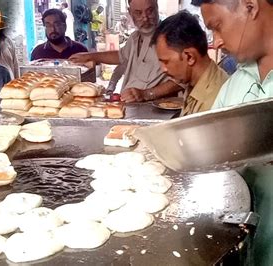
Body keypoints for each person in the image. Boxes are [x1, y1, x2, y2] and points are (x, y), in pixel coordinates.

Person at [193, 1, 273, 265]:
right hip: (247, 247)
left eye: (217, 27)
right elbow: (214, 154)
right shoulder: (237, 82)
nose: (215, 42)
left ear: (250, 6)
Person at [70, 0, 183, 103]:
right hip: (130, 107)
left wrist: (147, 94)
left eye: (150, 11)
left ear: (157, 6)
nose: (145, 18)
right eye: (138, 13)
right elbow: (121, 56)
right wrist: (90, 56)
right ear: (130, 12)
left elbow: (181, 81)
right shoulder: (134, 38)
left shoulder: (170, 37)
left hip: (158, 111)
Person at [151, 11, 228, 116]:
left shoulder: (212, 102)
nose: (163, 69)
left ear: (189, 57)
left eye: (166, 62)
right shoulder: (195, 83)